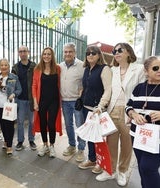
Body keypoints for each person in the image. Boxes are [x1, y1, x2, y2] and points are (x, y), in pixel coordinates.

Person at [96, 43, 145, 186]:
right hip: (112, 110)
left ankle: (122, 171)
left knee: (126, 144)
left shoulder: (139, 69)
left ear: (129, 52)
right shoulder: (112, 70)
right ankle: (110, 171)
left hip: (129, 112)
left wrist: (136, 112)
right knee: (111, 143)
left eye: (119, 50)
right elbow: (108, 91)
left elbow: (142, 92)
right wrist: (101, 106)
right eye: (114, 51)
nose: (116, 53)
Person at [125, 56, 160, 188]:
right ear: (146, 71)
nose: (159, 71)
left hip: (157, 139)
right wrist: (133, 114)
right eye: (155, 68)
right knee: (142, 167)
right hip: (137, 135)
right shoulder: (139, 88)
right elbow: (128, 106)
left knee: (148, 168)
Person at [78, 46, 112, 174]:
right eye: (88, 53)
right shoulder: (87, 69)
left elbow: (108, 89)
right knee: (90, 136)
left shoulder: (104, 69)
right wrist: (80, 97)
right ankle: (92, 158)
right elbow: (86, 87)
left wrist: (101, 106)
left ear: (99, 55)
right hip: (86, 108)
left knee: (99, 138)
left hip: (98, 110)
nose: (90, 55)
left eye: (93, 53)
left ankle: (100, 162)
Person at [32, 47, 62, 158]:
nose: (46, 56)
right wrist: (35, 102)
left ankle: (52, 146)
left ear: (52, 56)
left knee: (51, 124)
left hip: (54, 101)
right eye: (44, 54)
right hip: (42, 101)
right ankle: (45, 145)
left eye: (49, 54)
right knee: (43, 123)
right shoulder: (37, 69)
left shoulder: (57, 68)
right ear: (42, 55)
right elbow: (34, 86)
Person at [59, 42, 85, 162]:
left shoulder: (81, 66)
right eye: (65, 52)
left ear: (75, 53)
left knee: (80, 125)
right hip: (65, 101)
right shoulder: (60, 66)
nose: (67, 54)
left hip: (77, 101)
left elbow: (86, 82)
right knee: (68, 125)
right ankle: (72, 145)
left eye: (70, 51)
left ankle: (81, 148)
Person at [11, 45, 37, 151]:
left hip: (31, 99)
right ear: (18, 53)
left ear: (28, 52)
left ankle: (31, 140)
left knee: (32, 121)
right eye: (20, 51)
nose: (22, 53)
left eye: (24, 51)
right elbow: (12, 83)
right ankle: (20, 141)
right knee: (20, 121)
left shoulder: (34, 66)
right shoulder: (15, 67)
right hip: (20, 99)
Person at [0, 58, 22, 156]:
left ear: (9, 66)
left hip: (9, 105)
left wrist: (13, 94)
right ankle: (6, 141)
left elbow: (19, 89)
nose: (4, 67)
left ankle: (10, 145)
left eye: (6, 65)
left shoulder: (13, 77)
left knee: (9, 126)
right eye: (2, 65)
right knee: (2, 125)